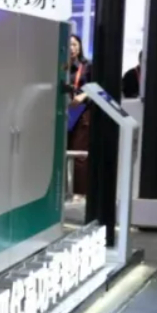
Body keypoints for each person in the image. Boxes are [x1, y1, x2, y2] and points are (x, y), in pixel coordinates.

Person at [67, 33, 92, 197]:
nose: (72, 48)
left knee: (79, 154)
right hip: (62, 113)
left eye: (75, 44)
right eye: (69, 45)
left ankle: (79, 193)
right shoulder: (60, 66)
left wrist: (83, 95)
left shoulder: (87, 66)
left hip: (82, 114)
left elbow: (96, 86)